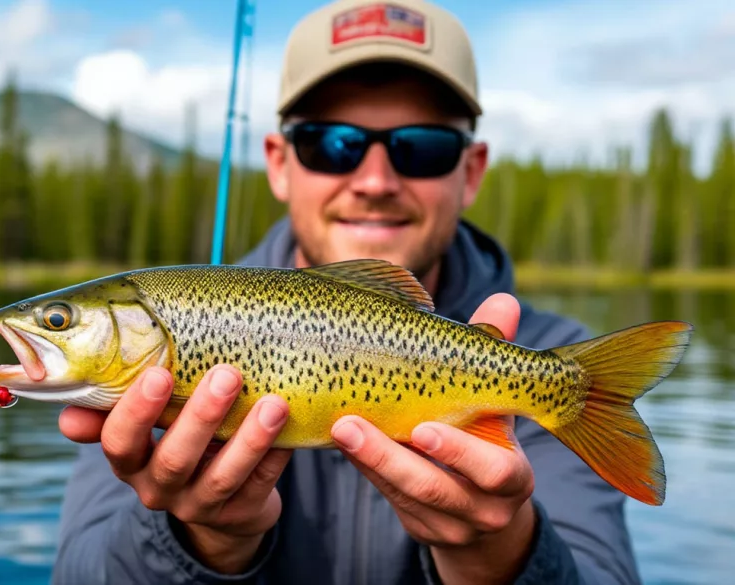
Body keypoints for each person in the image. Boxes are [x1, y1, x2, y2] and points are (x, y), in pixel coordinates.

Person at [52, 0, 641, 583]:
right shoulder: (135, 384)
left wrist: (498, 556)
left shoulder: (546, 355)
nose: (375, 181)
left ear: (472, 171)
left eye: (422, 148)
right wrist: (196, 542)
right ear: (279, 164)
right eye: (330, 144)